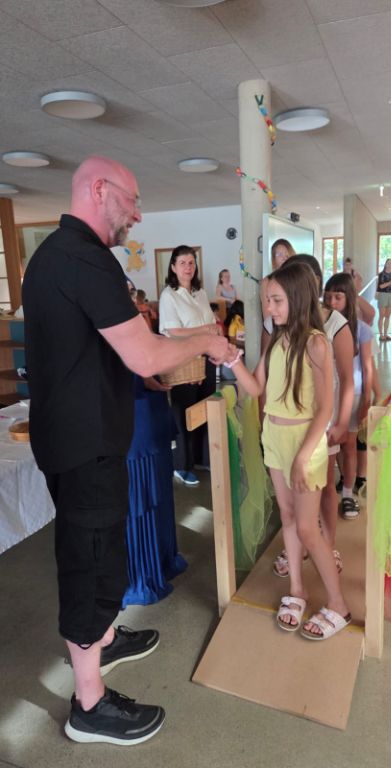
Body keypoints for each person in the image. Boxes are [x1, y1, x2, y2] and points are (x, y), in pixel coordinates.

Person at [22, 156, 229, 746]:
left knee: (99, 551)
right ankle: (89, 705)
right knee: (90, 565)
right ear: (98, 189)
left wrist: (154, 366)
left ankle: (106, 639)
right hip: (84, 444)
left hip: (75, 437)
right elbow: (142, 351)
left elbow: (104, 348)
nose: (138, 215)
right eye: (132, 201)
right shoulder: (85, 258)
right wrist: (208, 342)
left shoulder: (56, 255)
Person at [227, 260, 351, 640]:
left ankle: (338, 605)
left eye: (276, 300)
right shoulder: (277, 342)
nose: (269, 308)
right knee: (287, 516)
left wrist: (302, 455)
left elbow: (325, 409)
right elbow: (255, 388)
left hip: (303, 444)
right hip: (275, 440)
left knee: (309, 529)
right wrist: (231, 360)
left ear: (296, 298)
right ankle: (297, 590)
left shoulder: (316, 342)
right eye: (268, 300)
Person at [265, 255, 354, 578]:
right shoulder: (279, 327)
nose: (271, 307)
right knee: (295, 505)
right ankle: (303, 548)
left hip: (318, 421)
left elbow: (347, 378)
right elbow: (269, 376)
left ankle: (327, 544)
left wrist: (342, 421)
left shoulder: (332, 325)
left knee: (325, 485)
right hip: (286, 424)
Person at [123, 375, 187, 607]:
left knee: (157, 491)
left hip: (147, 405)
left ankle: (158, 563)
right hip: (130, 407)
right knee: (141, 494)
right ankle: (144, 573)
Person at [158, 245, 220, 486]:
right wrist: (204, 329)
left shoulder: (200, 293)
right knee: (185, 413)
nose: (188, 267)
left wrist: (213, 332)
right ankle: (181, 465)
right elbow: (173, 331)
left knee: (204, 409)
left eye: (191, 262)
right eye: (182, 263)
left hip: (205, 359)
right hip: (183, 361)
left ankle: (203, 458)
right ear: (173, 267)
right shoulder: (169, 295)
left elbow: (212, 322)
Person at [324, 273, 373, 520]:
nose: (332, 302)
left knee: (349, 444)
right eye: (328, 297)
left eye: (338, 297)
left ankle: (347, 494)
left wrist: (366, 399)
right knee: (331, 445)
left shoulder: (360, 329)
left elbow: (367, 367)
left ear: (349, 298)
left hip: (352, 394)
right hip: (328, 395)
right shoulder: (322, 325)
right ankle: (337, 485)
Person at [260, 238, 295, 317]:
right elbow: (267, 315)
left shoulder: (297, 279)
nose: (284, 258)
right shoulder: (267, 282)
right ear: (274, 259)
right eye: (279, 255)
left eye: (287, 254)